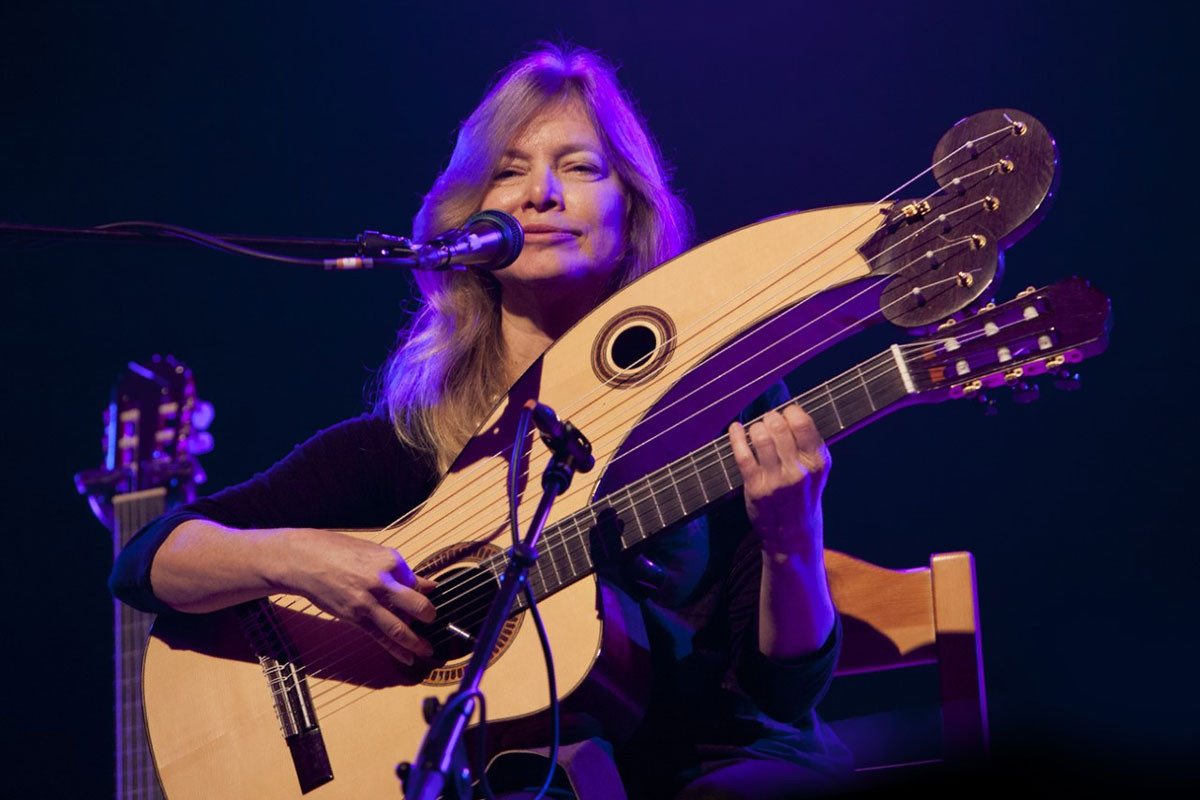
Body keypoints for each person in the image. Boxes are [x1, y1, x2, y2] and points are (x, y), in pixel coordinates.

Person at [111, 43, 851, 799]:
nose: (541, 194)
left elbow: (783, 694)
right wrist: (302, 562)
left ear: (631, 211)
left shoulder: (717, 393)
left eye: (581, 166)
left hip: (717, 763)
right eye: (508, 169)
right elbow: (147, 562)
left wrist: (792, 537)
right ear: (468, 220)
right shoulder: (417, 439)